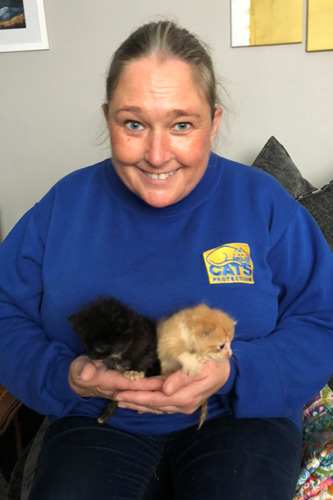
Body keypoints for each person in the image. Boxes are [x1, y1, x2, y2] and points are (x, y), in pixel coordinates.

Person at [0, 20, 332, 500]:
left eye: (181, 125)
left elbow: (321, 319)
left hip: (240, 417)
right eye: (133, 123)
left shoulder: (263, 203)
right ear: (107, 118)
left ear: (213, 123)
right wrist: (64, 376)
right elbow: (5, 312)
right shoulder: (64, 205)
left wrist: (234, 372)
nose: (157, 155)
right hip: (97, 419)